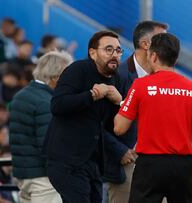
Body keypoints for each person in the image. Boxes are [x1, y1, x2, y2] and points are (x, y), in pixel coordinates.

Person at [114, 33, 192, 203]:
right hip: (183, 166)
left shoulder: (140, 85)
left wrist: (121, 103)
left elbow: (119, 128)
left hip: (149, 165)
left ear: (153, 56)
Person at [44, 31, 123, 203]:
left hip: (92, 162)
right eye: (108, 49)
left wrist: (119, 103)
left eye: (118, 51)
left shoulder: (114, 78)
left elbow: (110, 125)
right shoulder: (78, 69)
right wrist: (91, 95)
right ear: (92, 52)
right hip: (67, 160)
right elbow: (57, 105)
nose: (114, 55)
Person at [103, 20, 168, 203]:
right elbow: (97, 123)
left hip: (161, 162)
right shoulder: (118, 76)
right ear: (145, 44)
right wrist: (119, 151)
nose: (167, 43)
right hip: (127, 163)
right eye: (162, 39)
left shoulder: (166, 77)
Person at [9, 51, 73, 203]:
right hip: (45, 180)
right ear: (55, 77)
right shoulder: (47, 102)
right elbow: (49, 145)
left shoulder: (21, 95)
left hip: (24, 176)